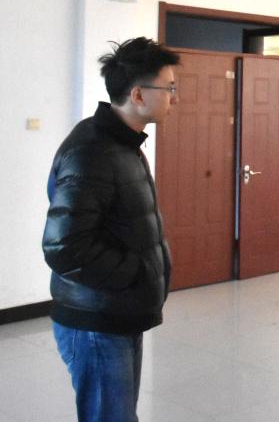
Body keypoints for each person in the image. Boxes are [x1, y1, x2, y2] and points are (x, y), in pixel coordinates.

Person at [43, 37, 180, 422]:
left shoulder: (123, 144)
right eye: (169, 88)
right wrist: (137, 272)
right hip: (96, 320)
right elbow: (64, 247)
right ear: (138, 94)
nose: (175, 98)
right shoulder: (92, 151)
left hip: (118, 311)